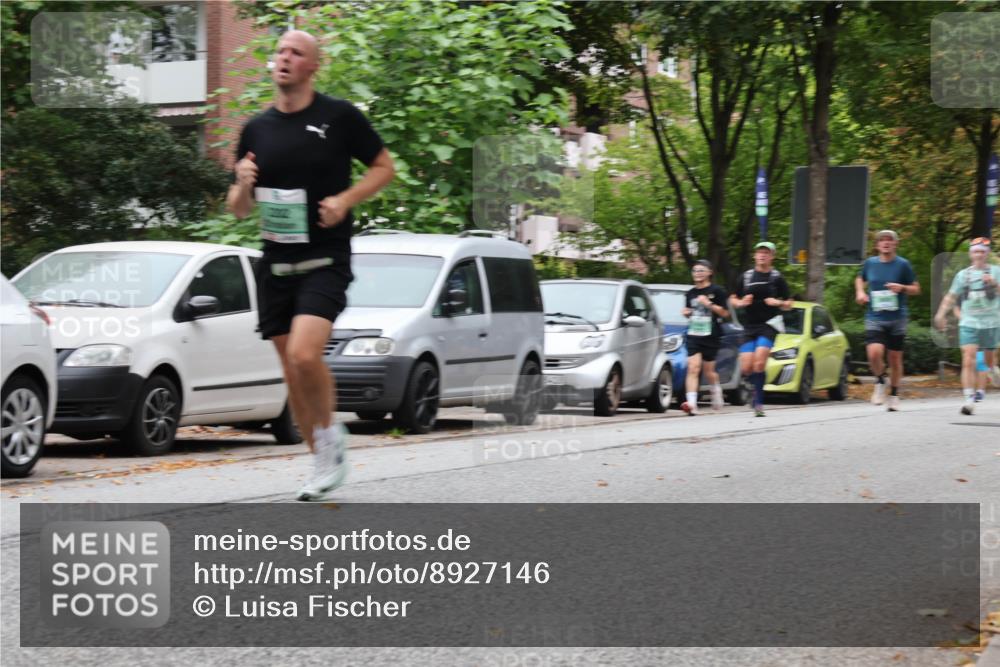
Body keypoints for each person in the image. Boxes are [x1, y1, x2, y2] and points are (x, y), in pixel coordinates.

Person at [226, 30, 395, 500]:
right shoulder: (256, 129)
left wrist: (345, 199)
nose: (284, 58)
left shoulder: (338, 117)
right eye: (279, 51)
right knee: (290, 370)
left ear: (312, 66)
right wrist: (241, 182)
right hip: (277, 260)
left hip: (325, 258)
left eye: (295, 53)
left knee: (305, 355)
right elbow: (239, 209)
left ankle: (330, 434)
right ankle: (320, 458)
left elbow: (384, 167)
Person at [933, 238, 1000, 415]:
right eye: (976, 251)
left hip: (991, 322)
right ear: (971, 254)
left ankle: (992, 368)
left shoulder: (996, 271)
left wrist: (995, 284)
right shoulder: (963, 275)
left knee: (987, 360)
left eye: (982, 251)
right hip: (969, 322)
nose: (979, 254)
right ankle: (969, 399)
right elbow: (951, 297)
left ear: (987, 254)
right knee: (968, 357)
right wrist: (940, 314)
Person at [855, 230, 920, 412]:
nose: (885, 243)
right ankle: (881, 381)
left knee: (895, 358)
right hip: (875, 316)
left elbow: (916, 289)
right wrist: (860, 292)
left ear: (895, 244)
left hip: (897, 318)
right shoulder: (870, 263)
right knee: (874, 354)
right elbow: (860, 278)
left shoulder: (903, 265)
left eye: (889, 240)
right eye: (882, 240)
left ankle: (894, 394)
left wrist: (902, 288)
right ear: (877, 245)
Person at [730, 242, 793, 417]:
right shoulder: (747, 276)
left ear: (772, 256)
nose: (762, 255)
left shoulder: (776, 277)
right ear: (755, 255)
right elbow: (733, 298)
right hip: (748, 326)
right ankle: (752, 388)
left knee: (759, 362)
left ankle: (759, 402)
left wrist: (778, 302)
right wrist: (741, 303)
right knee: (746, 367)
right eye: (759, 252)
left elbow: (789, 303)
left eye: (766, 252)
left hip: (768, 325)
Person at [680, 260, 730, 415]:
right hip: (694, 334)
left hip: (711, 335)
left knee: (709, 372)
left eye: (701, 270)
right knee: (693, 367)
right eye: (695, 270)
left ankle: (716, 390)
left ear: (710, 272)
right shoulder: (690, 293)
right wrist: (687, 313)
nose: (698, 273)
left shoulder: (718, 291)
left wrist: (709, 304)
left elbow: (725, 314)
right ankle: (692, 404)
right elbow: (691, 313)